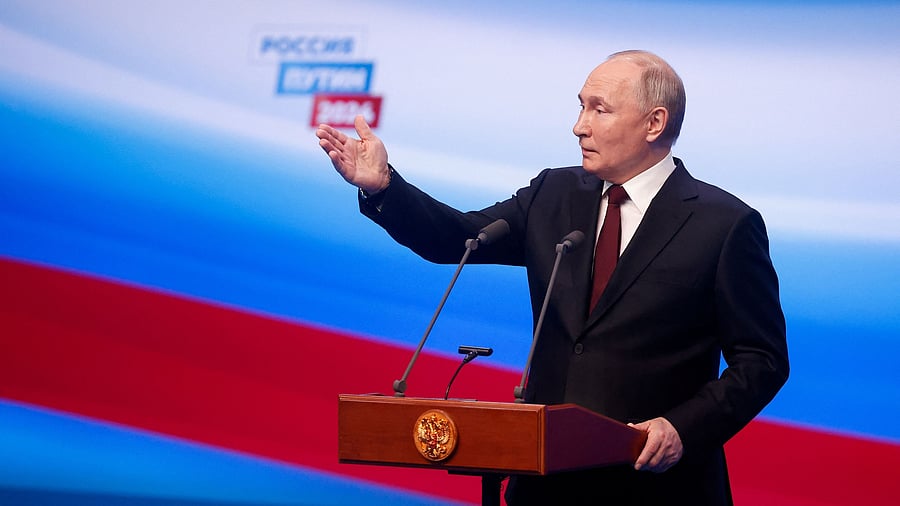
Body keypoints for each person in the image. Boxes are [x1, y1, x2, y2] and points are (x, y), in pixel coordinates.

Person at [316, 50, 789, 505]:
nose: (578, 126)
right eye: (581, 107)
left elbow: (761, 360)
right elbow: (457, 239)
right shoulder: (553, 193)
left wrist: (683, 427)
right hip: (545, 485)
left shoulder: (723, 224)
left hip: (658, 486)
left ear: (654, 123)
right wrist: (383, 188)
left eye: (598, 110)